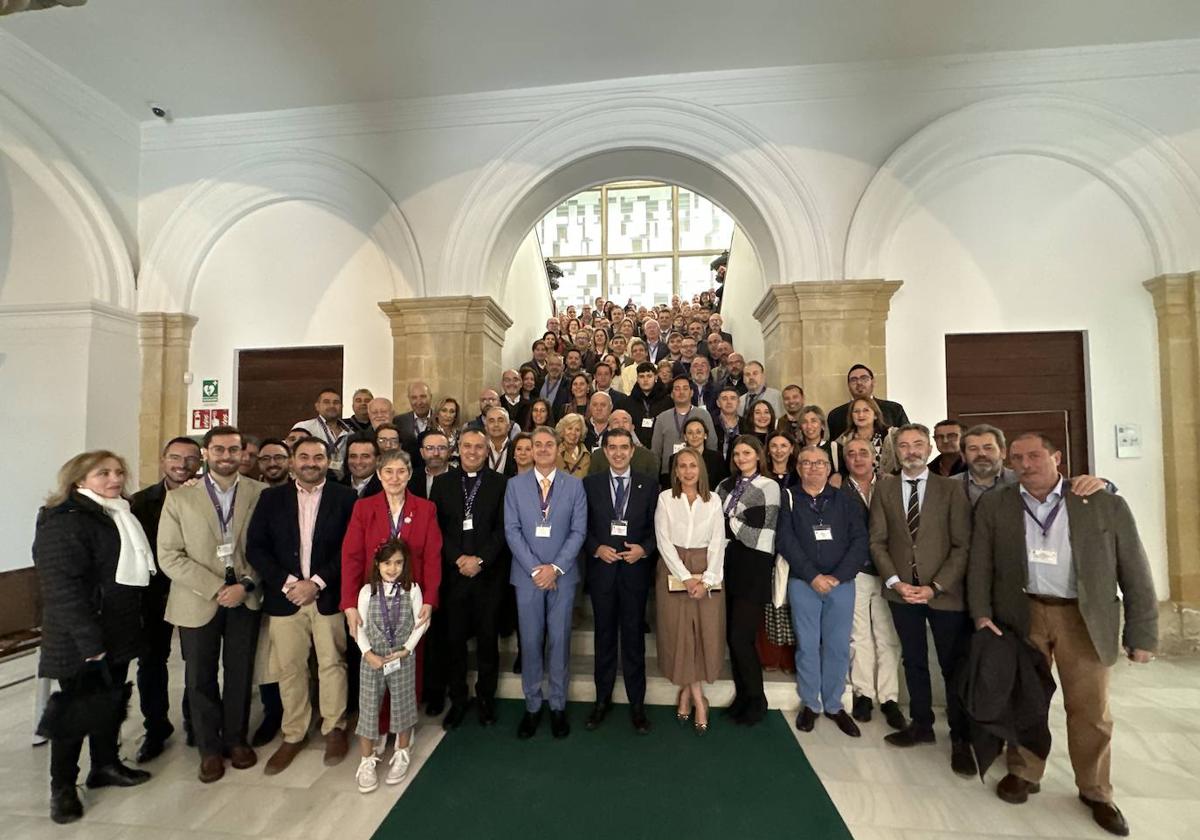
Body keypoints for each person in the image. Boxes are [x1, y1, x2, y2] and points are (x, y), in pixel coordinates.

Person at [969, 433, 1157, 836]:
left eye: (1034, 455)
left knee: (1090, 708)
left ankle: (1095, 789)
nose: (1026, 464)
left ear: (1056, 457)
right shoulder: (997, 504)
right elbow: (981, 563)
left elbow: (1135, 569)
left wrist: (1143, 633)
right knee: (1025, 699)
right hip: (1024, 613)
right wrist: (982, 613)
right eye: (1017, 457)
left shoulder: (1102, 502)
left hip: (1082, 616)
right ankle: (1025, 771)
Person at [33, 451, 153, 823]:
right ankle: (63, 788)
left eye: (119, 472)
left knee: (111, 702)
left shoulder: (116, 513)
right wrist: (90, 643)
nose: (115, 479)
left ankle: (105, 765)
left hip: (116, 630)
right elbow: (62, 591)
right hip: (80, 637)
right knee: (74, 712)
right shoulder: (64, 520)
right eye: (103, 473)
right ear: (79, 480)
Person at [157, 426, 266, 783]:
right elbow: (169, 556)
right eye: (218, 449)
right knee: (199, 676)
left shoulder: (259, 493)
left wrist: (246, 585)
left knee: (239, 673)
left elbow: (268, 548)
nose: (226, 456)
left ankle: (235, 739)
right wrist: (219, 587)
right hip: (197, 598)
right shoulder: (180, 498)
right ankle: (208, 748)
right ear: (206, 453)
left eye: (234, 450)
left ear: (242, 454)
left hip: (244, 598)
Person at [868, 423, 975, 777]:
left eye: (917, 445)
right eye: (904, 446)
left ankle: (960, 737)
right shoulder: (884, 489)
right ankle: (922, 724)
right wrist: (896, 582)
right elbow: (878, 542)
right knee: (913, 660)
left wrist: (936, 586)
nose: (911, 451)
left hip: (943, 594)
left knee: (951, 665)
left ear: (929, 449)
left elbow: (962, 545)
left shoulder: (951, 489)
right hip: (902, 593)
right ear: (895, 451)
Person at [246, 437, 357, 774]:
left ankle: (334, 727)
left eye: (319, 457)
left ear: (329, 461)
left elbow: (351, 548)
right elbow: (256, 549)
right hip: (286, 597)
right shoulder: (271, 498)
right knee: (290, 668)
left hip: (327, 595)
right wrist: (290, 584)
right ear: (293, 461)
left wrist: (318, 582)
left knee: (331, 664)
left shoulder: (346, 497)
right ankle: (293, 733)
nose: (311, 463)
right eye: (304, 456)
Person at [341, 448, 442, 723]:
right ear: (378, 474)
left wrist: (430, 600)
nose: (394, 478)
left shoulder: (425, 508)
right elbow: (351, 557)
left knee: (409, 660)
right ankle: (380, 725)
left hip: (411, 599)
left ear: (410, 475)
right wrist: (349, 603)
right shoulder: (364, 508)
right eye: (388, 471)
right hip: (373, 598)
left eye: (401, 471)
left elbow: (432, 558)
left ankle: (403, 727)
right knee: (375, 662)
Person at [503, 426, 588, 739]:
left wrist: (554, 568)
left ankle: (557, 705)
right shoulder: (514, 486)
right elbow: (511, 530)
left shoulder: (574, 486)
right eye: (536, 444)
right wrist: (537, 570)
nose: (541, 449)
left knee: (560, 641)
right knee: (529, 640)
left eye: (548, 444)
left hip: (562, 578)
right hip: (527, 578)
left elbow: (578, 532)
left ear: (558, 448)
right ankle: (532, 706)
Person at [778, 445, 868, 737]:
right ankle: (811, 704)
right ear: (799, 467)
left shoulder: (845, 501)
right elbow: (786, 540)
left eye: (819, 463)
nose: (813, 468)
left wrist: (838, 576)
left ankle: (834, 704)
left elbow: (859, 541)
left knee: (838, 646)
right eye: (806, 463)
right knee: (807, 645)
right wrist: (813, 575)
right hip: (803, 583)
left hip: (841, 585)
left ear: (829, 469)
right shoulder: (789, 498)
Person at [429, 429, 509, 729]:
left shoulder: (501, 483)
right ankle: (458, 699)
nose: (472, 452)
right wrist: (458, 559)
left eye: (478, 447)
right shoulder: (442, 483)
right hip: (454, 577)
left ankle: (486, 699)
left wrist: (481, 560)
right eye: (466, 446)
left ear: (487, 451)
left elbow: (503, 528)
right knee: (454, 643)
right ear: (457, 449)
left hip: (489, 576)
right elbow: (436, 529)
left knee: (488, 642)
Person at [129, 437, 202, 763]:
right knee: (152, 663)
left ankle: (194, 719)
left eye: (190, 459)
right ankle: (156, 726)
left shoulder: (206, 498)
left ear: (199, 463)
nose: (182, 465)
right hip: (152, 594)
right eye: (175, 457)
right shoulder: (139, 503)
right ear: (163, 460)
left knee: (196, 661)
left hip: (194, 591)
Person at [581, 429, 658, 734]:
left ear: (632, 450)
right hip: (602, 572)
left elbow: (657, 528)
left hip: (634, 573)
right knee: (604, 639)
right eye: (611, 447)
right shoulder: (590, 484)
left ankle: (637, 706)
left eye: (623, 447)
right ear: (604, 451)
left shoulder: (649, 485)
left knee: (634, 641)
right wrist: (596, 548)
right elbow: (580, 526)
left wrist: (645, 549)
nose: (617, 453)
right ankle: (602, 701)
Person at [654, 448, 726, 735]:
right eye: (681, 466)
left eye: (692, 466)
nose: (687, 471)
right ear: (675, 471)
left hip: (708, 569)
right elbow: (663, 541)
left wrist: (707, 580)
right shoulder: (666, 499)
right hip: (674, 572)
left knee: (702, 633)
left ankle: (687, 694)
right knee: (680, 633)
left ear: (701, 470)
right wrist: (685, 578)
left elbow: (719, 541)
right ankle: (698, 698)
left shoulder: (714, 500)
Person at [352, 539, 428, 794]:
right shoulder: (366, 591)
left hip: (401, 658)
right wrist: (367, 653)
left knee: (403, 704)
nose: (392, 568)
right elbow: (359, 627)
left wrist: (407, 649)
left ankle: (402, 751)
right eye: (387, 563)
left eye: (398, 563)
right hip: (372, 659)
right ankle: (366, 760)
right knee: (369, 707)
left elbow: (421, 623)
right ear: (377, 564)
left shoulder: (413, 589)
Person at [840, 438, 905, 730]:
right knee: (859, 636)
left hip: (890, 572)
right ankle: (863, 692)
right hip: (856, 571)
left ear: (874, 457)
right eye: (851, 454)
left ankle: (889, 697)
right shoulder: (838, 489)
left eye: (863, 453)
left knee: (887, 636)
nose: (857, 458)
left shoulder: (891, 486)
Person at [715, 436, 780, 726]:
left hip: (754, 565)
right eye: (737, 453)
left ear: (758, 455)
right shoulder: (724, 486)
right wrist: (734, 520)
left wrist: (728, 519)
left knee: (742, 637)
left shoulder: (769, 486)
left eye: (747, 452)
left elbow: (759, 534)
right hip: (728, 564)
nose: (741, 458)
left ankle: (757, 699)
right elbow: (712, 523)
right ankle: (742, 696)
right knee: (732, 636)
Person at [651, 376, 717, 478]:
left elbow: (712, 444)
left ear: (691, 393)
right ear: (672, 394)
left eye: (685, 388)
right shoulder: (662, 418)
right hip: (669, 473)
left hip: (697, 472)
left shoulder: (703, 415)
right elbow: (656, 451)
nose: (681, 392)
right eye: (677, 389)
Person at [826, 364, 910, 441]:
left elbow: (908, 438)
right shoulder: (836, 415)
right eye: (854, 380)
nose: (859, 383)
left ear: (873, 382)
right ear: (848, 385)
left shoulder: (894, 409)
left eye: (864, 378)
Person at [295, 388, 352, 479]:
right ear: (317, 406)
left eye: (336, 402)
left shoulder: (350, 433)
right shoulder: (304, 427)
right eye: (326, 402)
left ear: (341, 406)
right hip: (312, 479)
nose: (332, 405)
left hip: (343, 482)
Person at [835, 397, 897, 477]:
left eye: (866, 410)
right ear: (851, 416)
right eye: (856, 411)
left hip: (887, 486)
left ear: (875, 415)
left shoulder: (891, 435)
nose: (861, 415)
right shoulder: (843, 440)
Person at [626, 362, 670, 447]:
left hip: (662, 446)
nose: (645, 380)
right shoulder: (627, 403)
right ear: (637, 379)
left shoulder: (668, 402)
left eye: (649, 376)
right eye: (642, 376)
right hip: (635, 449)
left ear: (656, 377)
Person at [411, 430, 451, 499]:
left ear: (449, 452)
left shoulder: (460, 479)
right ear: (422, 452)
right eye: (430, 448)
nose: (436, 453)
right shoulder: (411, 478)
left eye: (442, 448)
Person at [394, 382, 434, 447]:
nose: (419, 402)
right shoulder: (399, 421)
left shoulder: (440, 419)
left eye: (423, 397)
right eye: (414, 398)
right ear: (409, 399)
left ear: (430, 397)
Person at [482, 405, 518, 477]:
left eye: (500, 420)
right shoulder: (480, 449)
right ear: (486, 427)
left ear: (508, 426)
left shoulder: (517, 449)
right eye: (491, 421)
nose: (496, 425)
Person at [555, 412, 591, 477]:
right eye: (569, 428)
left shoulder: (587, 457)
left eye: (577, 430)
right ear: (562, 430)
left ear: (581, 433)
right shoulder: (554, 453)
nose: (573, 433)